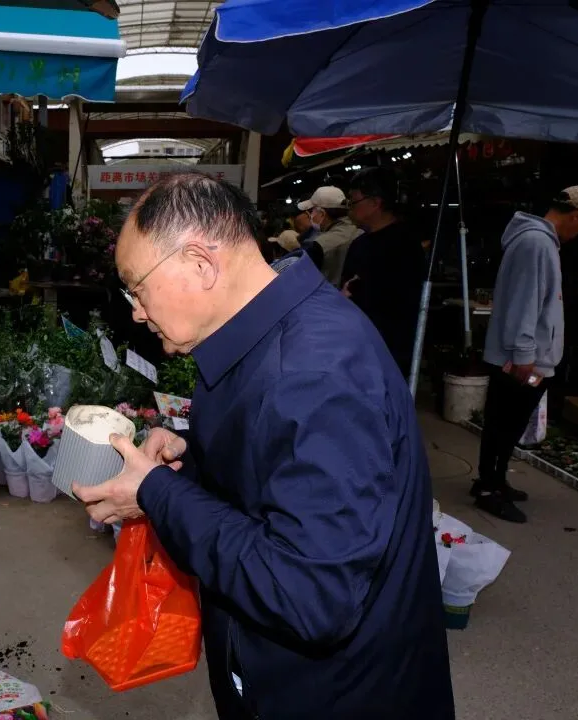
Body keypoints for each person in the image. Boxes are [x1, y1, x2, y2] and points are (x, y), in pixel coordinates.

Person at [74, 173, 453, 720]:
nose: (136, 310)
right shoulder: (259, 334)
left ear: (201, 265)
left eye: (137, 288)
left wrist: (159, 493)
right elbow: (269, 467)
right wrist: (187, 457)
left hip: (337, 695)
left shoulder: (318, 372)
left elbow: (308, 596)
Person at [473, 187, 578, 523]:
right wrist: (524, 355)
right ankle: (488, 488)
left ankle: (494, 480)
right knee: (504, 423)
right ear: (577, 216)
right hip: (522, 359)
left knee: (507, 422)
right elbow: (525, 303)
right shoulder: (536, 243)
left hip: (529, 356)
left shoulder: (540, 241)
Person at [340, 167, 425, 377]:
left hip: (389, 349)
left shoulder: (405, 244)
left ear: (375, 202)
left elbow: (402, 298)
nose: (350, 208)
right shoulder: (359, 244)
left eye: (354, 201)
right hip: (357, 344)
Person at [297, 185, 362, 286]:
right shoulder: (362, 231)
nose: (311, 215)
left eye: (312, 211)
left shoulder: (319, 245)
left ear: (322, 214)